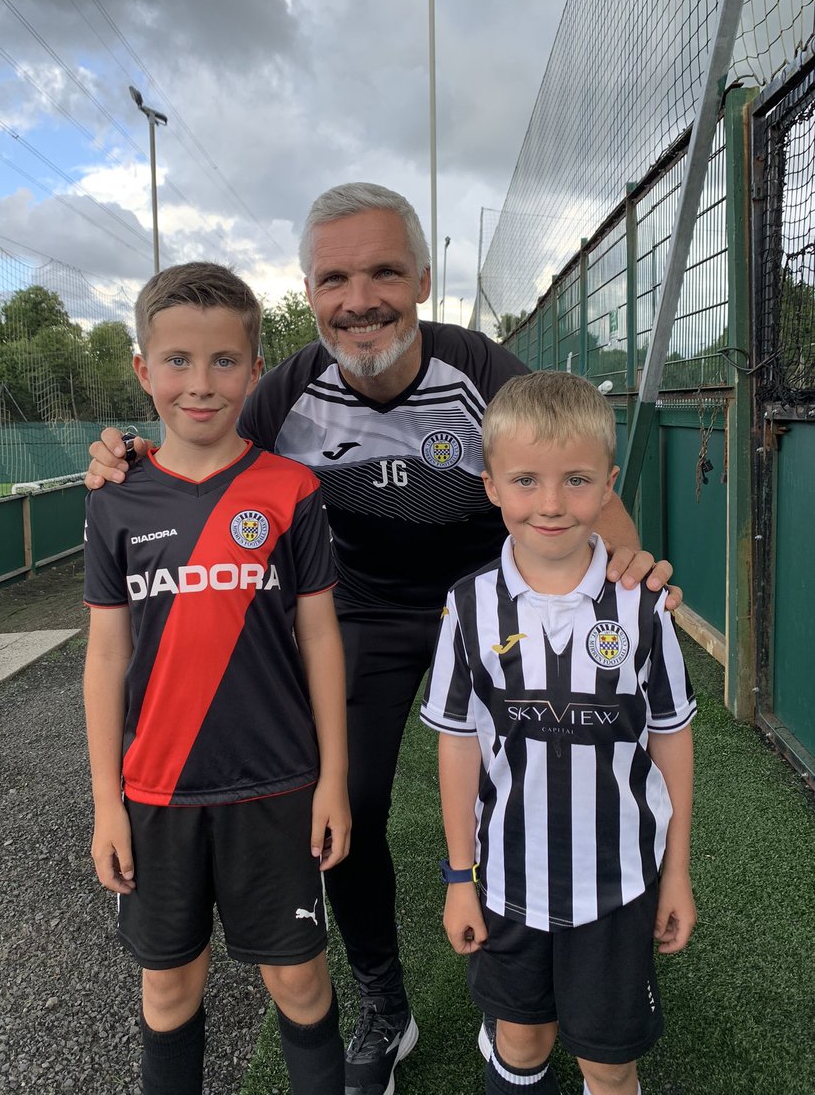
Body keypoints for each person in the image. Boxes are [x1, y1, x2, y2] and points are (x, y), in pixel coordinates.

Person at [86, 183, 682, 1095]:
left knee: (553, 767)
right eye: (334, 279)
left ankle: (538, 967)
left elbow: (577, 473)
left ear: (424, 283)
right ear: (309, 293)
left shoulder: (482, 371)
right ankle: (384, 1004)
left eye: (384, 273)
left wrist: (629, 569)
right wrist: (125, 458)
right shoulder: (285, 390)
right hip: (360, 613)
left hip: (491, 605)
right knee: (349, 805)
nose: (359, 299)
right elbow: (200, 446)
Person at [82, 262, 350, 1095]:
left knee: (298, 980)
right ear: (143, 369)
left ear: (254, 369)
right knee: (168, 988)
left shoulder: (291, 490)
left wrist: (333, 780)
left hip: (277, 787)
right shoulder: (114, 498)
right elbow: (105, 656)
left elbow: (320, 638)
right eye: (177, 360)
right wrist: (106, 803)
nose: (200, 383)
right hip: (157, 794)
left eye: (224, 360)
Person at [421, 370, 696, 1095]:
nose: (550, 504)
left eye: (575, 480)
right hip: (508, 880)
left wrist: (676, 873)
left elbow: (671, 736)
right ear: (491, 486)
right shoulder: (468, 608)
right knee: (521, 1039)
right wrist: (458, 878)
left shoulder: (643, 606)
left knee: (608, 1062)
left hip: (618, 884)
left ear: (607, 486)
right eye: (526, 481)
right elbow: (457, 743)